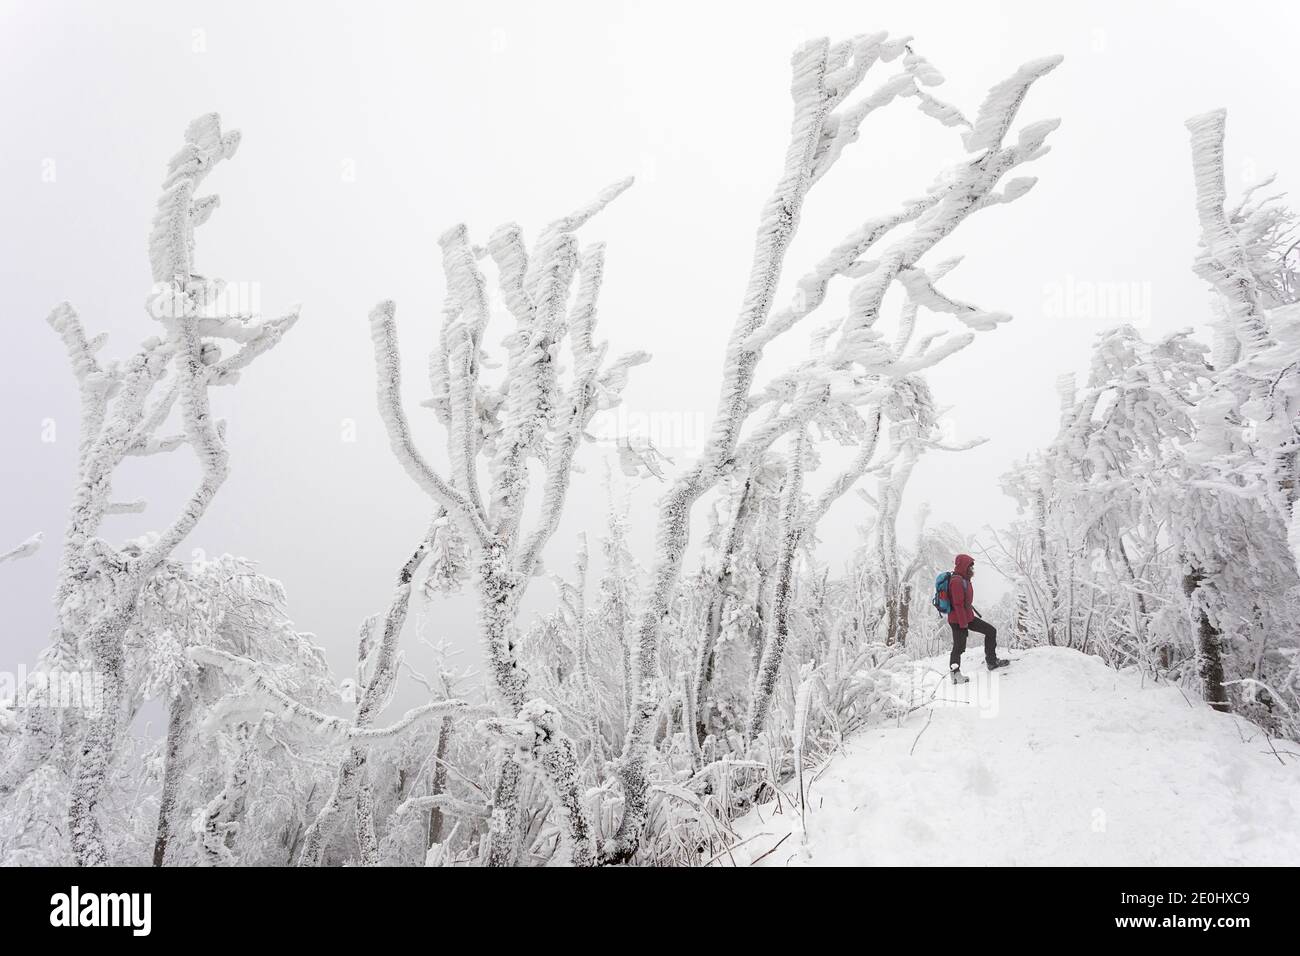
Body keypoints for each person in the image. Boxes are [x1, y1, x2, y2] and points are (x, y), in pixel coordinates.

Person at [948, 553, 1008, 682]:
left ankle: (991, 662)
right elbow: (957, 604)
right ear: (964, 566)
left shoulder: (964, 579)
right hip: (958, 620)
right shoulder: (956, 581)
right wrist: (963, 624)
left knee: (991, 631)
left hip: (967, 617)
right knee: (959, 647)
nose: (972, 569)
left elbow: (964, 602)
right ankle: (955, 674)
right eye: (970, 566)